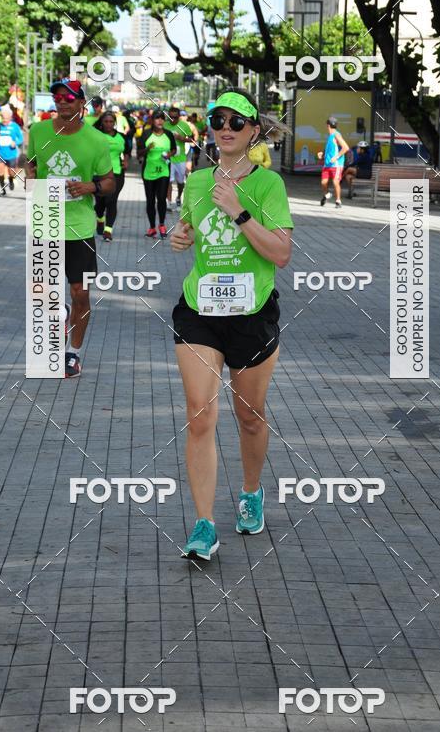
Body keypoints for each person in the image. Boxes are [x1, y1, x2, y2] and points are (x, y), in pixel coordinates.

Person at [170, 88, 293, 561]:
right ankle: (203, 524)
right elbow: (189, 231)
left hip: (251, 313)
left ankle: (251, 491)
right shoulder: (198, 182)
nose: (225, 127)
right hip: (200, 309)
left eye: (236, 121)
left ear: (253, 131)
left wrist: (237, 210)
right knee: (200, 412)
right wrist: (181, 237)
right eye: (217, 119)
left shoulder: (268, 186)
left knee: (249, 416)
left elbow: (280, 254)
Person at [26, 79, 114, 378]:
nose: (62, 101)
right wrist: (32, 180)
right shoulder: (38, 131)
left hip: (79, 228)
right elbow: (33, 166)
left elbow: (110, 182)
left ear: (81, 103)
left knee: (81, 294)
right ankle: (50, 350)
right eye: (58, 96)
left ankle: (73, 354)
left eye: (69, 97)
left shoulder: (97, 140)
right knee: (46, 294)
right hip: (45, 222)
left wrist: (90, 186)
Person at [137, 109, 176, 238]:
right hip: (148, 171)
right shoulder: (146, 134)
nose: (160, 121)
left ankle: (162, 224)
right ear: (153, 121)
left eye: (162, 118)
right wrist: (147, 149)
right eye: (157, 118)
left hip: (163, 171)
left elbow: (174, 149)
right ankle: (152, 227)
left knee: (161, 199)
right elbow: (139, 153)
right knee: (150, 200)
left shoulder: (169, 134)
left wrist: (169, 154)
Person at [93, 110, 129, 241]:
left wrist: (126, 160)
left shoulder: (121, 137)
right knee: (100, 203)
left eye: (111, 122)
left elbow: (127, 150)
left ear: (115, 123)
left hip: (117, 172)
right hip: (98, 173)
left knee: (111, 200)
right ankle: (100, 218)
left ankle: (108, 230)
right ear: (102, 122)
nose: (109, 124)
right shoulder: (96, 136)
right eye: (106, 121)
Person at [164, 105, 194, 211]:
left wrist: (182, 138)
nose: (172, 119)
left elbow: (193, 139)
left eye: (175, 117)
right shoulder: (165, 125)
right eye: (170, 117)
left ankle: (178, 198)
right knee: (169, 181)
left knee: (180, 182)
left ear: (179, 117)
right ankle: (168, 202)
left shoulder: (184, 126)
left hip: (180, 159)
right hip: (169, 158)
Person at [317, 116, 349, 209]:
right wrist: (322, 154)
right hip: (327, 164)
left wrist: (336, 157)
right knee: (323, 183)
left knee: (335, 182)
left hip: (336, 165)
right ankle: (327, 195)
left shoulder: (336, 135)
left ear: (327, 125)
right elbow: (329, 150)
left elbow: (345, 147)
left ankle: (338, 201)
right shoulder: (330, 136)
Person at [0, 105, 23, 195]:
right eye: (3, 118)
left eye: (6, 118)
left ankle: (11, 180)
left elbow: (21, 139)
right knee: (0, 172)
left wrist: (15, 143)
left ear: (10, 117)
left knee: (11, 173)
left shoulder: (15, 126)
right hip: (0, 152)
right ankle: (3, 189)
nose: (4, 120)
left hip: (11, 153)